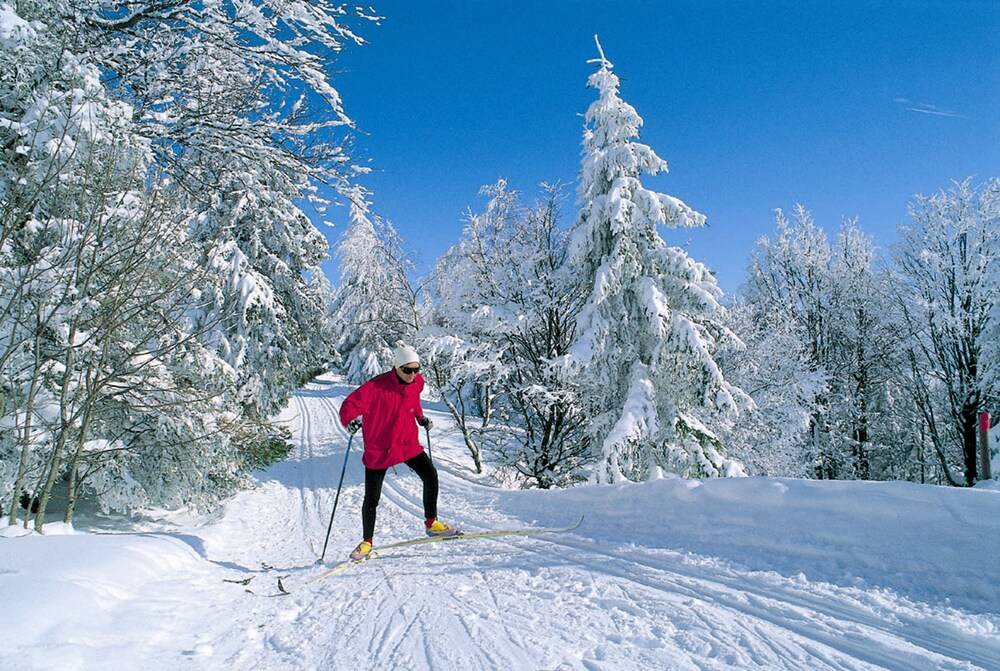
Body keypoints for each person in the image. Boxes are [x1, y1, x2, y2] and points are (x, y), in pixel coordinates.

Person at [339, 340, 459, 560]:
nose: (413, 374)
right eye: (407, 370)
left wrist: (420, 417)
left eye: (416, 369)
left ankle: (432, 523)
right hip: (380, 448)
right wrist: (351, 421)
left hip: (406, 443)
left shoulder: (417, 382)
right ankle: (366, 542)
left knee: (430, 475)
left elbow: (414, 401)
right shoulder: (376, 387)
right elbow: (349, 405)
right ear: (396, 367)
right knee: (372, 498)